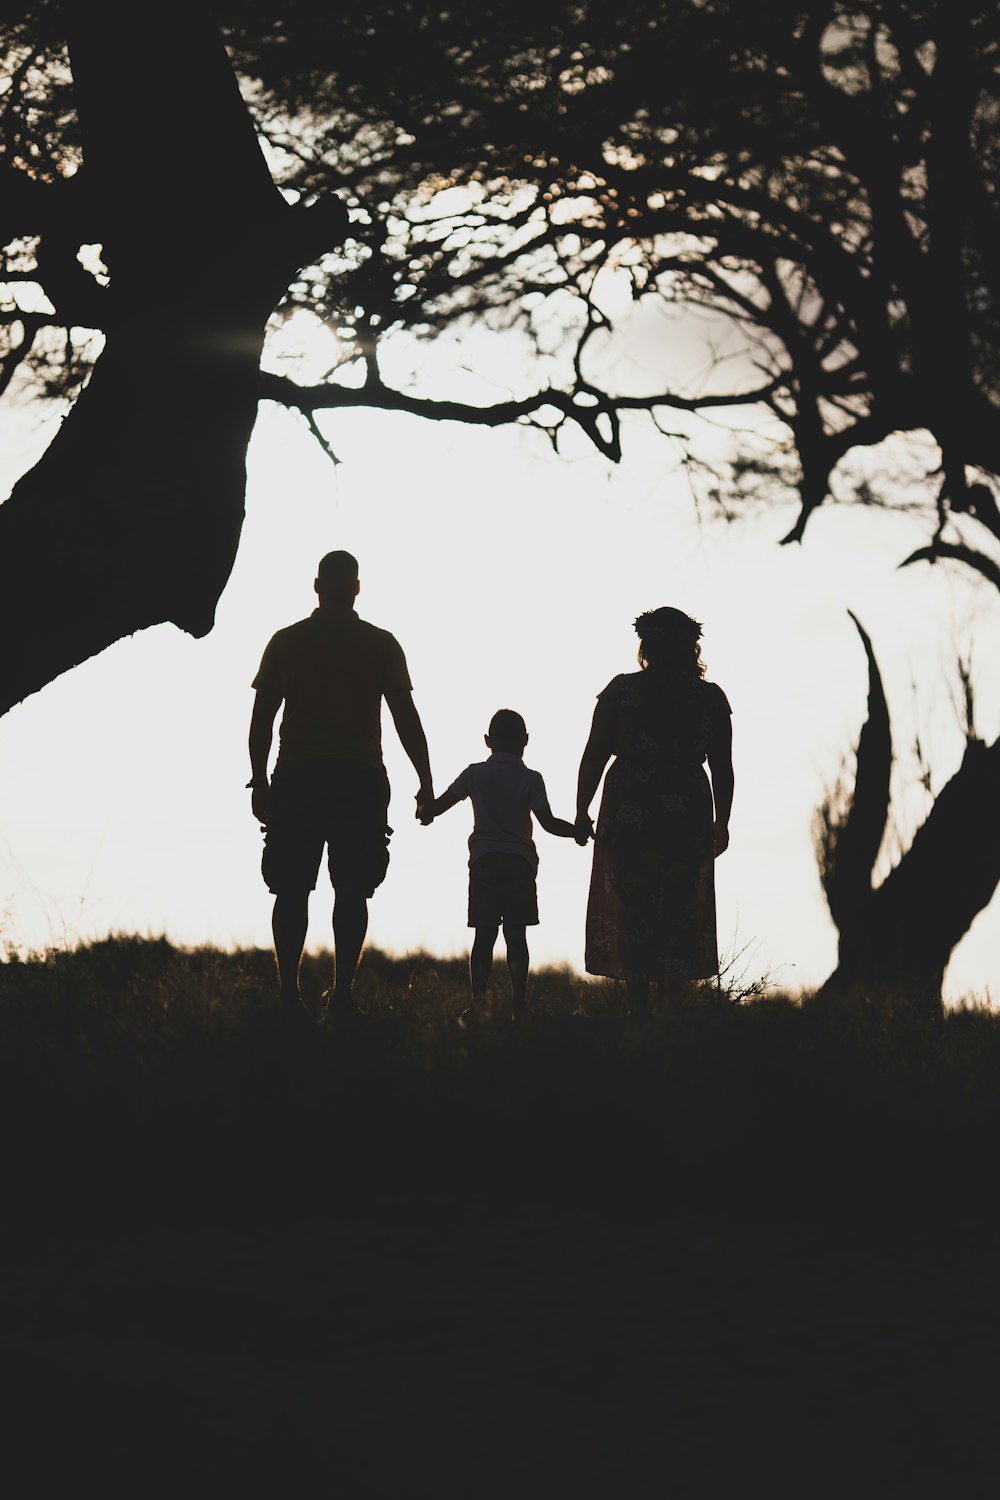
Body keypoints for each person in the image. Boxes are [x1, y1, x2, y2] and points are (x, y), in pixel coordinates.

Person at [248, 550, 433, 1014]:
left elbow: (261, 719)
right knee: (352, 888)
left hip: (298, 775)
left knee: (291, 888)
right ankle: (343, 996)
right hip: (359, 776)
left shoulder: (286, 641)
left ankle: (289, 993)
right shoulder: (381, 643)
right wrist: (425, 780)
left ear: (316, 586)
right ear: (355, 588)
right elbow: (405, 717)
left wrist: (259, 779)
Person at [575, 607, 734, 1013]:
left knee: (633, 901)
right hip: (686, 809)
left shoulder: (622, 691)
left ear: (647, 645)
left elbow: (594, 755)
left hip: (631, 804)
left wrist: (582, 809)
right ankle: (669, 1008)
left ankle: (639, 1007)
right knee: (680, 903)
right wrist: (723, 821)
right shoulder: (709, 698)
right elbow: (722, 768)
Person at [419, 708, 584, 1017]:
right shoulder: (531, 779)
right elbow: (548, 823)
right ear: (525, 741)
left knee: (484, 935)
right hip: (520, 864)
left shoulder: (474, 773)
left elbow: (437, 808)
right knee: (516, 936)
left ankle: (478, 1004)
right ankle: (518, 1003)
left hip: (485, 862)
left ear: (487, 741)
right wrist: (577, 831)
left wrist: (424, 807)